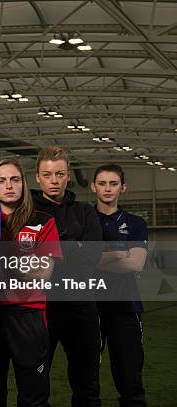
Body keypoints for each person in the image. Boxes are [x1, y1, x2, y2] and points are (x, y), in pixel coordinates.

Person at [0, 158, 62, 407]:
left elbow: (43, 273)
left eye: (15, 179)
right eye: (1, 180)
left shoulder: (42, 220)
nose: (9, 186)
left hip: (29, 312)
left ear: (24, 184)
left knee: (33, 392)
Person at [32, 146, 103, 407]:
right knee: (35, 385)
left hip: (81, 307)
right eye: (48, 174)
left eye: (60, 174)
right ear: (38, 177)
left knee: (87, 384)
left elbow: (93, 255)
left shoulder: (84, 212)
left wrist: (49, 251)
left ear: (68, 176)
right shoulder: (28, 211)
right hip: (40, 308)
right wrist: (74, 247)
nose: (54, 180)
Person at [91, 164, 147, 407]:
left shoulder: (135, 223)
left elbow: (135, 264)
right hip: (89, 308)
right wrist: (118, 253)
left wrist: (94, 257)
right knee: (85, 379)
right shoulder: (83, 218)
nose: (107, 188)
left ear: (123, 188)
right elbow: (75, 260)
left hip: (125, 307)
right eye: (102, 183)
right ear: (93, 186)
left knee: (130, 378)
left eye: (113, 183)